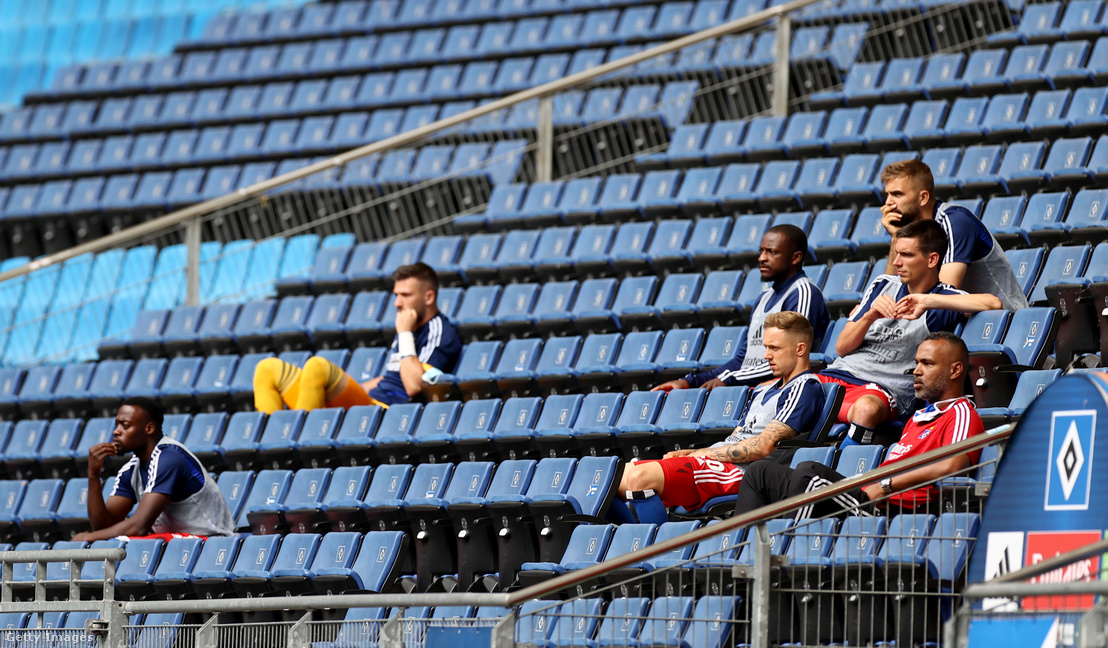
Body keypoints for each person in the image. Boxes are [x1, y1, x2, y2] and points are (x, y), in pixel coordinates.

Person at [733, 332, 985, 520]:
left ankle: (781, 555)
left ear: (955, 370)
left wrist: (887, 485)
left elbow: (954, 465)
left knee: (809, 472)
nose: (916, 371)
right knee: (760, 473)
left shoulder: (960, 413)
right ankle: (744, 556)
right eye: (916, 363)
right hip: (866, 495)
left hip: (890, 510)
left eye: (927, 364)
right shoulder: (918, 418)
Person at [619, 311, 826, 510]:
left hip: (744, 473)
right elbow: (736, 438)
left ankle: (659, 543)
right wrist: (693, 454)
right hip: (720, 464)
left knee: (640, 478)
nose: (766, 355)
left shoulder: (805, 388)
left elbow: (762, 447)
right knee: (618, 478)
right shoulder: (762, 391)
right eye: (765, 347)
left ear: (800, 349)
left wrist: (703, 454)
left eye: (775, 348)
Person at [819, 219, 1001, 444]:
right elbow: (842, 347)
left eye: (906, 255)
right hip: (836, 376)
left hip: (880, 389)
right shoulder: (882, 284)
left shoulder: (942, 300)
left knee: (865, 409)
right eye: (896, 254)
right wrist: (869, 316)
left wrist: (927, 300)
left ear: (932, 259)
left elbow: (993, 304)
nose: (896, 262)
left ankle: (843, 469)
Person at [253, 262, 462, 411]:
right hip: (367, 401)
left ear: (429, 297)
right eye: (396, 295)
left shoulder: (440, 333)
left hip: (385, 412)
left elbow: (414, 385)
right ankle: (275, 448)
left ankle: (301, 446)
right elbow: (390, 377)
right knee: (267, 369)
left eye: (405, 295)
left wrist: (405, 333)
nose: (397, 303)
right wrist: (345, 390)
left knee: (318, 367)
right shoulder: (408, 325)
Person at [653, 225, 830, 392]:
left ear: (795, 257)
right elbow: (742, 361)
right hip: (749, 387)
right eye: (761, 251)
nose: (762, 258)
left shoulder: (803, 293)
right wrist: (689, 381)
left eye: (772, 252)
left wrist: (729, 379)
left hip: (781, 390)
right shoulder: (764, 298)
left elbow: (792, 358)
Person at [73, 397, 234, 541]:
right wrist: (93, 475)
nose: (116, 431)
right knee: (115, 542)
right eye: (116, 425)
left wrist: (88, 537)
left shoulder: (170, 458)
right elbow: (103, 528)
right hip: (177, 545)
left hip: (212, 541)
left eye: (125, 425)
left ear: (149, 429)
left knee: (126, 541)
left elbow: (139, 526)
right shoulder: (131, 470)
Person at [879, 159, 1027, 311]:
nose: (888, 203)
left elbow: (945, 293)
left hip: (1000, 320)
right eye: (887, 195)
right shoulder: (912, 233)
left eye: (897, 194)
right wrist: (896, 237)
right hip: (956, 320)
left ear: (923, 197)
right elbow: (887, 292)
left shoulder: (955, 222)